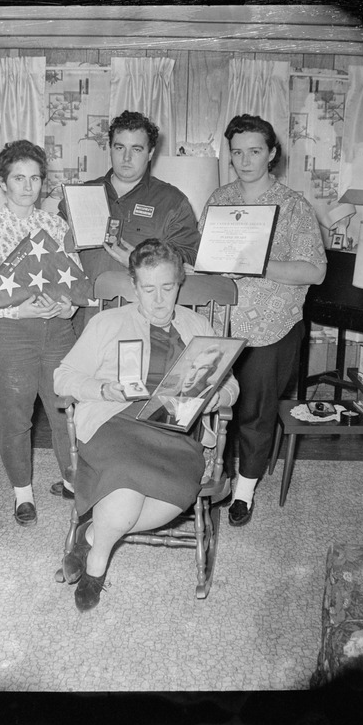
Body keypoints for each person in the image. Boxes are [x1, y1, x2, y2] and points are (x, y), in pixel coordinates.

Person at [53, 239, 239, 611]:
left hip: (175, 428)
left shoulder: (197, 325)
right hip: (114, 422)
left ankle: (90, 534)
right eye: (148, 289)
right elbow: (63, 377)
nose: (158, 299)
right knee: (125, 488)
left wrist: (217, 398)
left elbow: (230, 382)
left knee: (169, 498)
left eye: (167, 288)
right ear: (134, 286)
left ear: (179, 283)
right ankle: (97, 564)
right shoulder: (107, 322)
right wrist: (102, 387)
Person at [51, 110, 202, 500]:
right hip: (82, 317)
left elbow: (186, 261)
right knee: (85, 398)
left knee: (132, 403)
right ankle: (87, 472)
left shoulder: (171, 201)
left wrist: (134, 257)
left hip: (137, 323)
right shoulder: (80, 194)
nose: (126, 157)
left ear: (151, 152)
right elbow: (55, 251)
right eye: (119, 147)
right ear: (110, 148)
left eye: (137, 149)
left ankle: (128, 477)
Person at [198, 114, 327, 527]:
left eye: (255, 151)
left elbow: (315, 271)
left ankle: (245, 491)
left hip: (270, 328)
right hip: (220, 324)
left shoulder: (293, 206)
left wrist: (257, 265)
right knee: (213, 409)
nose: (245, 160)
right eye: (237, 152)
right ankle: (214, 475)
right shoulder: (219, 200)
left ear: (272, 154)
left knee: (255, 412)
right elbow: (205, 260)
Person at [0, 140, 79, 527]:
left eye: (35, 178)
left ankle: (72, 481)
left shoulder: (56, 225)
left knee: (66, 410)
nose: (28, 186)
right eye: (18, 178)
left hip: (57, 330)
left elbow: (75, 280)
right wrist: (15, 308)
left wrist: (68, 306)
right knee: (15, 417)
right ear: (2, 182)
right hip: (9, 334)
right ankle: (22, 494)